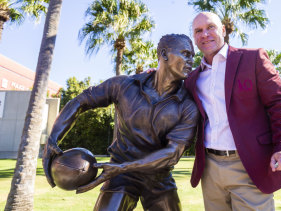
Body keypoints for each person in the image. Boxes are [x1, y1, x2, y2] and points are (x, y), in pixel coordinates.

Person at [43, 34, 199, 211]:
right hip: (121, 175)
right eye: (186, 54)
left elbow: (171, 154)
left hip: (157, 177)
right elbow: (81, 101)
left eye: (192, 56)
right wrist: (53, 139)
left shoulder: (188, 107)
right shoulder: (124, 85)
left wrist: (121, 167)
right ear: (164, 54)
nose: (191, 60)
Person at [184, 12, 281, 210]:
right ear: (194, 38)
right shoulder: (192, 79)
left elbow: (279, 103)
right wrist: (153, 75)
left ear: (222, 30)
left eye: (210, 27)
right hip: (209, 169)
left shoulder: (253, 59)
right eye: (198, 31)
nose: (204, 34)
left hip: (249, 164)